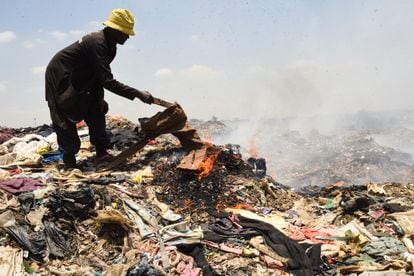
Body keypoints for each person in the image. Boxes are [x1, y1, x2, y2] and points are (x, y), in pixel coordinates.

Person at [45, 8, 154, 169]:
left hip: (83, 78)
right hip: (60, 74)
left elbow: (98, 76)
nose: (127, 36)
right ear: (112, 29)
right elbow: (107, 80)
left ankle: (102, 153)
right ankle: (69, 162)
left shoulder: (111, 47)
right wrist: (137, 93)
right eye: (124, 32)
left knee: (97, 107)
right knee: (64, 115)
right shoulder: (97, 42)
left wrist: (100, 98)